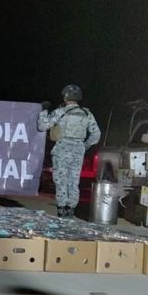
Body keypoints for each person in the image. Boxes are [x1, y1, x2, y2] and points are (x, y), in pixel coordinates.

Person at [37, 84, 101, 217]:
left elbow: (42, 126)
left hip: (62, 149)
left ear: (66, 97)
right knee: (74, 180)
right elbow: (96, 135)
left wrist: (44, 111)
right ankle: (71, 209)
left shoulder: (60, 112)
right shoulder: (87, 114)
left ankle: (62, 209)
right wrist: (84, 146)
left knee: (61, 180)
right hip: (78, 150)